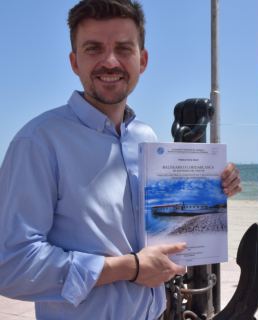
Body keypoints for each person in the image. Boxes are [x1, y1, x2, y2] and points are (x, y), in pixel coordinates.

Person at [0, 1, 242, 319]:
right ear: (74, 62)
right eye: (94, 49)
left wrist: (210, 189)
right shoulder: (39, 142)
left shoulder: (146, 137)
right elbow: (13, 266)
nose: (110, 61)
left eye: (124, 49)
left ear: (142, 60)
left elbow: (163, 226)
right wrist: (130, 268)